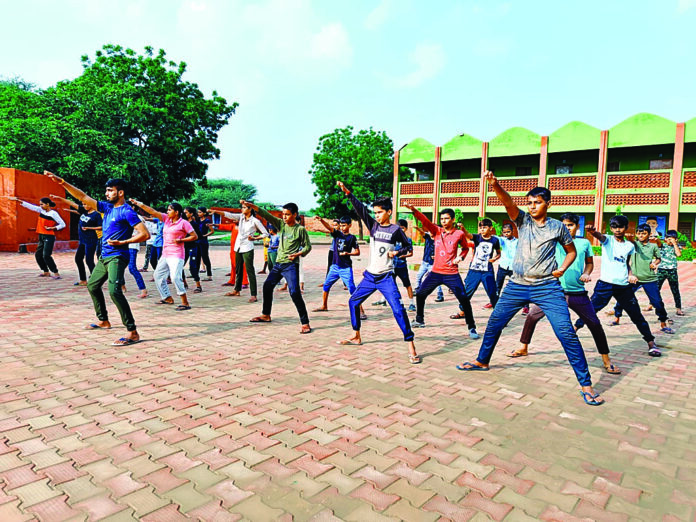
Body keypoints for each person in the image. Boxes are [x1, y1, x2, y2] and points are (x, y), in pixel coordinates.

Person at [456, 172, 604, 407]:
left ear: (548, 203)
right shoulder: (522, 220)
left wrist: (563, 269)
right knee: (495, 323)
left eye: (537, 202)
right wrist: (496, 185)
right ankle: (482, 361)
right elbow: (508, 203)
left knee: (565, 332)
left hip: (547, 287)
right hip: (516, 285)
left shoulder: (558, 227)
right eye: (530, 202)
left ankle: (586, 385)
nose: (532, 206)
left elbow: (572, 252)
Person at [46, 172, 149, 345]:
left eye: (110, 191)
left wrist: (124, 241)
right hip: (104, 256)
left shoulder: (127, 212)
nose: (106, 194)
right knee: (93, 286)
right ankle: (104, 320)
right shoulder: (107, 208)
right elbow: (83, 196)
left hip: (117, 256)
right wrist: (63, 182)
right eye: (106, 191)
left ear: (120, 192)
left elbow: (144, 234)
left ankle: (132, 332)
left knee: (115, 291)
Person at [509, 212, 620, 374]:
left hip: (577, 293)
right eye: (564, 225)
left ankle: (606, 359)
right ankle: (523, 347)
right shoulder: (552, 242)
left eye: (571, 225)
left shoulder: (583, 244)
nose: (567, 228)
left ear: (577, 227)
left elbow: (589, 263)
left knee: (594, 324)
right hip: (552, 292)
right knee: (532, 316)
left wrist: (587, 273)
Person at [336, 181, 420, 364]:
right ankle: (356, 335)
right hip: (369, 276)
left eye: (380, 212)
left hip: (386, 278)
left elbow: (408, 247)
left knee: (398, 310)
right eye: (375, 212)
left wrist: (397, 252)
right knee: (353, 302)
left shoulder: (396, 230)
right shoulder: (373, 226)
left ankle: (410, 344)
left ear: (389, 212)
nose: (377, 215)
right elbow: (361, 209)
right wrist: (348, 193)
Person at [575, 216, 662, 357]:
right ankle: (575, 329)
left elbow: (627, 263)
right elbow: (600, 236)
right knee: (591, 310)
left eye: (620, 227)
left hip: (623, 286)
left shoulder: (629, 246)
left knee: (636, 315)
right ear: (611, 228)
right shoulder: (608, 240)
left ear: (626, 228)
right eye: (614, 227)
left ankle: (651, 342)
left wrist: (631, 274)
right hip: (605, 284)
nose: (617, 230)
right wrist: (593, 232)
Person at [405, 205, 479, 339]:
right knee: (420, 294)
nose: (444, 221)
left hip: (451, 274)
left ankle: (472, 327)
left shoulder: (459, 234)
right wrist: (414, 210)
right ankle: (419, 320)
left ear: (453, 219)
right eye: (442, 219)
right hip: (436, 273)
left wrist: (460, 257)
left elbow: (465, 248)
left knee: (464, 299)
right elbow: (426, 222)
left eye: (446, 218)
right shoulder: (437, 231)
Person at [245, 200, 312, 333]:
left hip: (291, 266)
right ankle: (266, 314)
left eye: (287, 214)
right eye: (283, 214)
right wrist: (252, 206)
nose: (284, 217)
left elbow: (308, 246)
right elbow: (266, 215)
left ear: (294, 214)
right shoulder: (281, 225)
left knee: (294, 292)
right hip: (278, 265)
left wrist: (298, 254)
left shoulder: (300, 230)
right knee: (267, 286)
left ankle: (305, 323)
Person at [130, 199, 197, 310]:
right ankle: (167, 297)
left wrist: (181, 240)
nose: (167, 212)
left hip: (177, 255)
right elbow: (152, 211)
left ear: (177, 212)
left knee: (175, 277)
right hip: (165, 254)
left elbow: (194, 236)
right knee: (158, 275)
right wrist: (138, 204)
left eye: (170, 210)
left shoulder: (183, 223)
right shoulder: (166, 219)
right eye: (167, 210)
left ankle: (185, 302)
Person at [610, 224, 675, 334]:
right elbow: (629, 240)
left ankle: (663, 323)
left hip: (650, 279)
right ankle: (617, 318)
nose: (641, 235)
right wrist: (629, 236)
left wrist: (655, 263)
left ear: (649, 234)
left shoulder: (653, 246)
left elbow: (659, 258)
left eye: (644, 233)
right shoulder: (634, 245)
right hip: (633, 278)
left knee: (657, 302)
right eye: (639, 233)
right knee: (622, 299)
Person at [214, 203, 268, 302]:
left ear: (250, 209)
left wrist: (255, 238)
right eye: (242, 207)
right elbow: (229, 215)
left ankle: (253, 294)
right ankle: (237, 290)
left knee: (249, 270)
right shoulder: (241, 217)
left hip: (247, 247)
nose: (242, 209)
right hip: (238, 247)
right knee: (238, 269)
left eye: (244, 207)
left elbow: (265, 233)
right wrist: (215, 211)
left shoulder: (255, 221)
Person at [312, 215, 365, 317]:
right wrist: (321, 220)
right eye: (340, 226)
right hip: (334, 267)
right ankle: (324, 306)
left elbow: (357, 252)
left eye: (344, 225)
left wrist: (347, 254)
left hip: (345, 268)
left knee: (352, 288)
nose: (342, 228)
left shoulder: (352, 238)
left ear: (350, 225)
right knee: (326, 286)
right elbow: (329, 228)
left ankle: (361, 310)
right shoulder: (337, 234)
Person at [7, 195, 66, 279]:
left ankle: (56, 273)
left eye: (42, 204)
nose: (40, 206)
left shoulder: (53, 213)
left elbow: (63, 224)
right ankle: (46, 271)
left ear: (47, 204)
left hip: (49, 236)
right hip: (41, 235)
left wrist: (53, 228)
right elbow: (31, 206)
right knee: (38, 255)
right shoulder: (41, 211)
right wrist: (18, 200)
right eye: (40, 204)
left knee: (46, 255)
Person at [50, 194, 102, 286]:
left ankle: (96, 281)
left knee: (89, 260)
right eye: (83, 204)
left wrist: (90, 228)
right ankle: (83, 280)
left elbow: (102, 227)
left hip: (91, 240)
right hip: (82, 240)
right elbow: (72, 204)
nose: (84, 206)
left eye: (86, 204)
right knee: (78, 259)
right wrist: (60, 198)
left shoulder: (96, 215)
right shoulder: (84, 211)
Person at [373, 219, 415, 311]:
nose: (401, 230)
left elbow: (411, 253)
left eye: (403, 228)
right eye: (399, 228)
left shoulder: (408, 240)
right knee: (390, 284)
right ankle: (388, 301)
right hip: (391, 266)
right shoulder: (392, 239)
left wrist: (404, 255)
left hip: (402, 265)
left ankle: (412, 303)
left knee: (407, 284)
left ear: (406, 229)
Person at [413, 223, 444, 303]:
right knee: (419, 276)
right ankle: (417, 289)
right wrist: (417, 228)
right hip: (425, 262)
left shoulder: (440, 240)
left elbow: (443, 252)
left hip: (433, 264)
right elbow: (422, 233)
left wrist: (437, 256)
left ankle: (440, 294)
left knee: (436, 279)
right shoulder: (427, 236)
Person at [656, 229, 684, 317]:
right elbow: (657, 242)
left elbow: (679, 254)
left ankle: (678, 308)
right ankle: (651, 304)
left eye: (672, 239)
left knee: (675, 290)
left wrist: (675, 244)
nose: (670, 241)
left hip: (672, 270)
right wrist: (656, 237)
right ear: (665, 238)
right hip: (661, 269)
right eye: (668, 238)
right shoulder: (662, 245)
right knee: (656, 288)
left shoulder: (677, 246)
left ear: (676, 239)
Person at [126, 215, 148, 298]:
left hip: (132, 245)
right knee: (118, 267)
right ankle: (121, 286)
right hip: (122, 245)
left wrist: (135, 236)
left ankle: (143, 289)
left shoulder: (137, 217)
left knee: (132, 268)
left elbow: (144, 232)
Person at [183, 207, 204, 294]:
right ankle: (184, 283)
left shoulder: (194, 224)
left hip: (193, 247)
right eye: (184, 213)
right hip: (183, 247)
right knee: (179, 266)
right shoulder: (182, 223)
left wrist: (191, 239)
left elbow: (199, 235)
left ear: (191, 214)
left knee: (193, 266)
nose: (185, 214)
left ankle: (198, 285)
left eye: (186, 213)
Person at [197, 207, 214, 281]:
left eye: (200, 212)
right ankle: (195, 274)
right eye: (198, 212)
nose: (198, 213)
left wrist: (205, 235)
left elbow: (212, 231)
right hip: (197, 241)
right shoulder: (198, 220)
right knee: (197, 258)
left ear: (204, 213)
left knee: (205, 258)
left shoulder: (207, 221)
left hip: (203, 242)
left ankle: (209, 275)